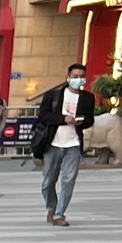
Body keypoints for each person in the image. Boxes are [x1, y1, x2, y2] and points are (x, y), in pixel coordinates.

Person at [30, 63, 93, 226]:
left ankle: (60, 214)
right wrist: (63, 119)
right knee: (48, 181)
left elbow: (90, 119)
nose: (78, 79)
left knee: (69, 179)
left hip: (73, 144)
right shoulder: (54, 95)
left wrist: (82, 122)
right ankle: (51, 207)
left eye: (81, 76)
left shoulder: (87, 98)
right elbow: (43, 116)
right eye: (75, 76)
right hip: (53, 143)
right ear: (68, 78)